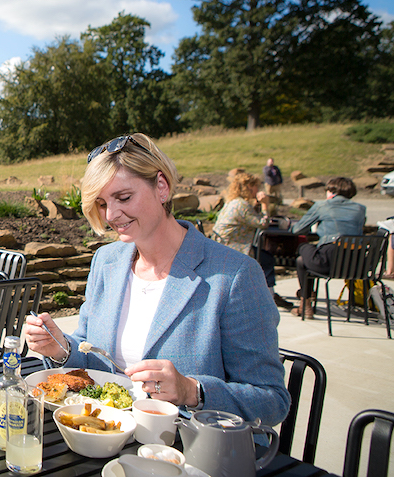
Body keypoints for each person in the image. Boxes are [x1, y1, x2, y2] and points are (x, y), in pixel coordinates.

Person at [23, 133, 289, 426]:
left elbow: (272, 401)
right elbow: (93, 358)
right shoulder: (106, 261)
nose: (111, 215)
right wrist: (62, 350)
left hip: (193, 450)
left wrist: (192, 390)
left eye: (124, 197)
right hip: (106, 435)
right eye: (101, 204)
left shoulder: (234, 275)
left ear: (161, 187)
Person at [212, 172, 293, 309]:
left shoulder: (234, 202)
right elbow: (262, 224)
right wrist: (265, 205)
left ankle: (267, 293)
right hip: (234, 247)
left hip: (222, 244)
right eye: (256, 186)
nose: (258, 190)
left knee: (264, 256)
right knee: (267, 259)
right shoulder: (241, 205)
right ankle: (269, 296)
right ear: (249, 186)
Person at [290, 177, 367, 318]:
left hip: (328, 262)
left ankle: (305, 303)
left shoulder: (323, 205)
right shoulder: (360, 209)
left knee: (302, 250)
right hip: (356, 265)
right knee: (303, 260)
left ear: (331, 191)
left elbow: (297, 230)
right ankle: (305, 302)